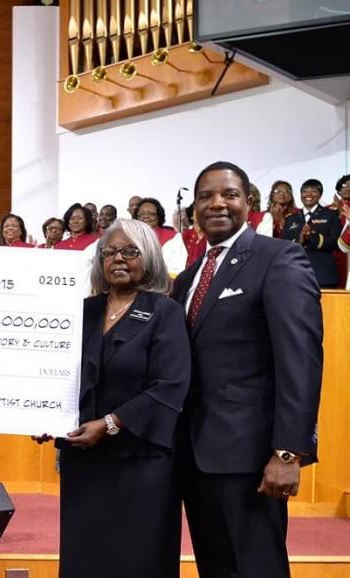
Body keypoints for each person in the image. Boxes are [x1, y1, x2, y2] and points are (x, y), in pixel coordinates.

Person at [172, 161, 322, 578]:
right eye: (206, 196)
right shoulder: (187, 277)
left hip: (254, 460)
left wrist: (288, 451)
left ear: (249, 203)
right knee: (216, 568)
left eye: (229, 194)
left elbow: (301, 359)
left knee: (257, 569)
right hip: (196, 458)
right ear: (193, 209)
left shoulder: (279, 258)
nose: (217, 203)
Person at [39, 218, 190, 578]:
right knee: (85, 559)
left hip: (141, 461)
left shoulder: (164, 311)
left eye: (129, 251)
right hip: (84, 463)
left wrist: (110, 424)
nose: (118, 259)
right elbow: (60, 375)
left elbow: (171, 385)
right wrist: (44, 416)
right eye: (109, 252)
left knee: (136, 560)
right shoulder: (84, 311)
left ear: (149, 258)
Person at [280, 178, 341, 288]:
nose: (308, 194)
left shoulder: (331, 214)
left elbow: (336, 243)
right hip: (295, 274)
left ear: (320, 195)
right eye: (304, 191)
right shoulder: (290, 218)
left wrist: (313, 237)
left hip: (323, 275)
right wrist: (300, 240)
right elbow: (283, 245)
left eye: (313, 191)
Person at [135, 197, 187, 276]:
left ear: (158, 216)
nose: (146, 216)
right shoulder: (129, 238)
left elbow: (176, 270)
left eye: (151, 214)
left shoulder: (174, 238)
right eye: (141, 214)